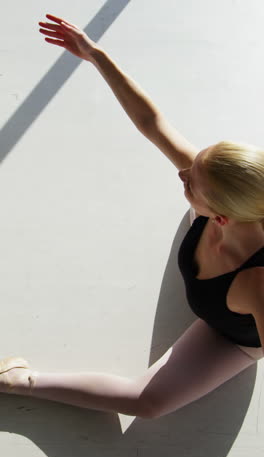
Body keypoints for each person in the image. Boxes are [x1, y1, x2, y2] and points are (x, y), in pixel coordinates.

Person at [0, 13, 263, 420]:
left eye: (192, 183)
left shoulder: (258, 285)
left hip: (229, 332)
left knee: (149, 404)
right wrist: (95, 55)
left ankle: (21, 381)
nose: (182, 171)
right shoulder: (231, 198)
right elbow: (152, 124)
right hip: (224, 244)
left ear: (223, 218)